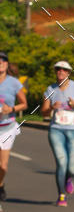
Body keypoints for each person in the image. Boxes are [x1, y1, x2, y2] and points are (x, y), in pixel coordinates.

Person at [41, 61, 74, 207]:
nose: (61, 72)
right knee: (61, 163)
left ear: (68, 72)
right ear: (56, 72)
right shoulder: (50, 89)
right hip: (56, 129)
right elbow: (43, 112)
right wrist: (51, 109)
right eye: (58, 69)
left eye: (64, 70)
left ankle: (69, 178)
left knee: (72, 167)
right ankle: (61, 196)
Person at [0, 50, 28, 202]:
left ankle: (0, 184)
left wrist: (10, 109)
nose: (0, 62)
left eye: (3, 60)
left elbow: (24, 104)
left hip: (7, 127)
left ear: (6, 63)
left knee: (3, 166)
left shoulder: (14, 83)